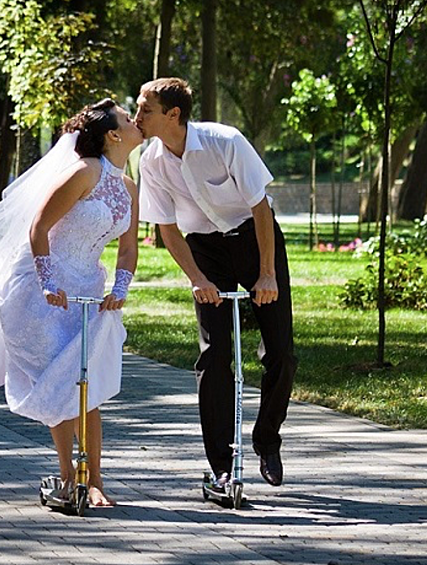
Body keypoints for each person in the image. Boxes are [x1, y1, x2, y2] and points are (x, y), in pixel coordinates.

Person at [0, 98, 142, 505]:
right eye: (128, 119)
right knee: (63, 386)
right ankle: (69, 477)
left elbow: (128, 247)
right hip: (40, 293)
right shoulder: (83, 173)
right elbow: (39, 226)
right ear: (113, 134)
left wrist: (120, 287)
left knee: (87, 385)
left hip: (88, 291)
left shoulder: (129, 187)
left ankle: (95, 480)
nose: (135, 123)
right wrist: (47, 282)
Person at [134, 78, 297, 488]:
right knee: (213, 355)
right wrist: (197, 278)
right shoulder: (150, 162)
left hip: (254, 239)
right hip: (204, 249)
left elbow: (260, 208)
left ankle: (266, 439)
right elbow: (167, 228)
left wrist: (266, 273)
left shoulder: (226, 141)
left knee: (281, 352)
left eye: (145, 110)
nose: (137, 117)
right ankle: (222, 464)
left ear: (173, 115)